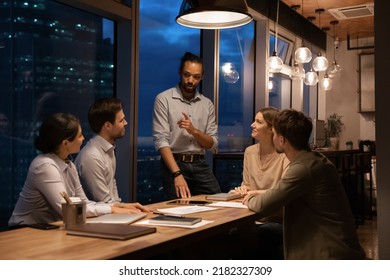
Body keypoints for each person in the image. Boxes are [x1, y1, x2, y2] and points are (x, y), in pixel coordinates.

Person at [243, 109, 366, 259]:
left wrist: (248, 198)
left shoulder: (302, 168)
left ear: (282, 140)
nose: (273, 137)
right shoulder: (313, 159)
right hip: (335, 244)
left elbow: (264, 205)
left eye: (274, 134)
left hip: (329, 253)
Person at [8, 113, 150, 228]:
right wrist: (111, 209)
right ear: (65, 143)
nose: (83, 139)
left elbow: (83, 203)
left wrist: (118, 206)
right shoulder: (45, 166)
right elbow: (69, 209)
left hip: (49, 228)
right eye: (80, 135)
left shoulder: (68, 163)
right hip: (25, 231)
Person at [152, 52, 221, 199]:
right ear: (180, 72)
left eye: (196, 77)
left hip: (200, 163)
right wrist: (177, 174)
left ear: (202, 76)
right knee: (180, 211)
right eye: (186, 75)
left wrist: (194, 131)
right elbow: (161, 140)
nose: (190, 80)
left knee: (217, 203)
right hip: (174, 164)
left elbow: (212, 144)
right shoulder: (164, 99)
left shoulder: (207, 104)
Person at [229, 107, 290, 259]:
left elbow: (285, 192)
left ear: (271, 129)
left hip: (276, 219)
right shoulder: (249, 152)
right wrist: (241, 190)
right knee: (229, 234)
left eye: (258, 122)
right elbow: (247, 184)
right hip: (250, 217)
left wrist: (253, 193)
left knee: (257, 236)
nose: (252, 125)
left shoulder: (284, 155)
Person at [75, 97, 126, 203]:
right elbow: (104, 201)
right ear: (107, 125)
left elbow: (112, 187)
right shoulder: (92, 157)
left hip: (109, 214)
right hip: (97, 217)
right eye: (121, 120)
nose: (126, 123)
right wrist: (126, 209)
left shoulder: (108, 149)